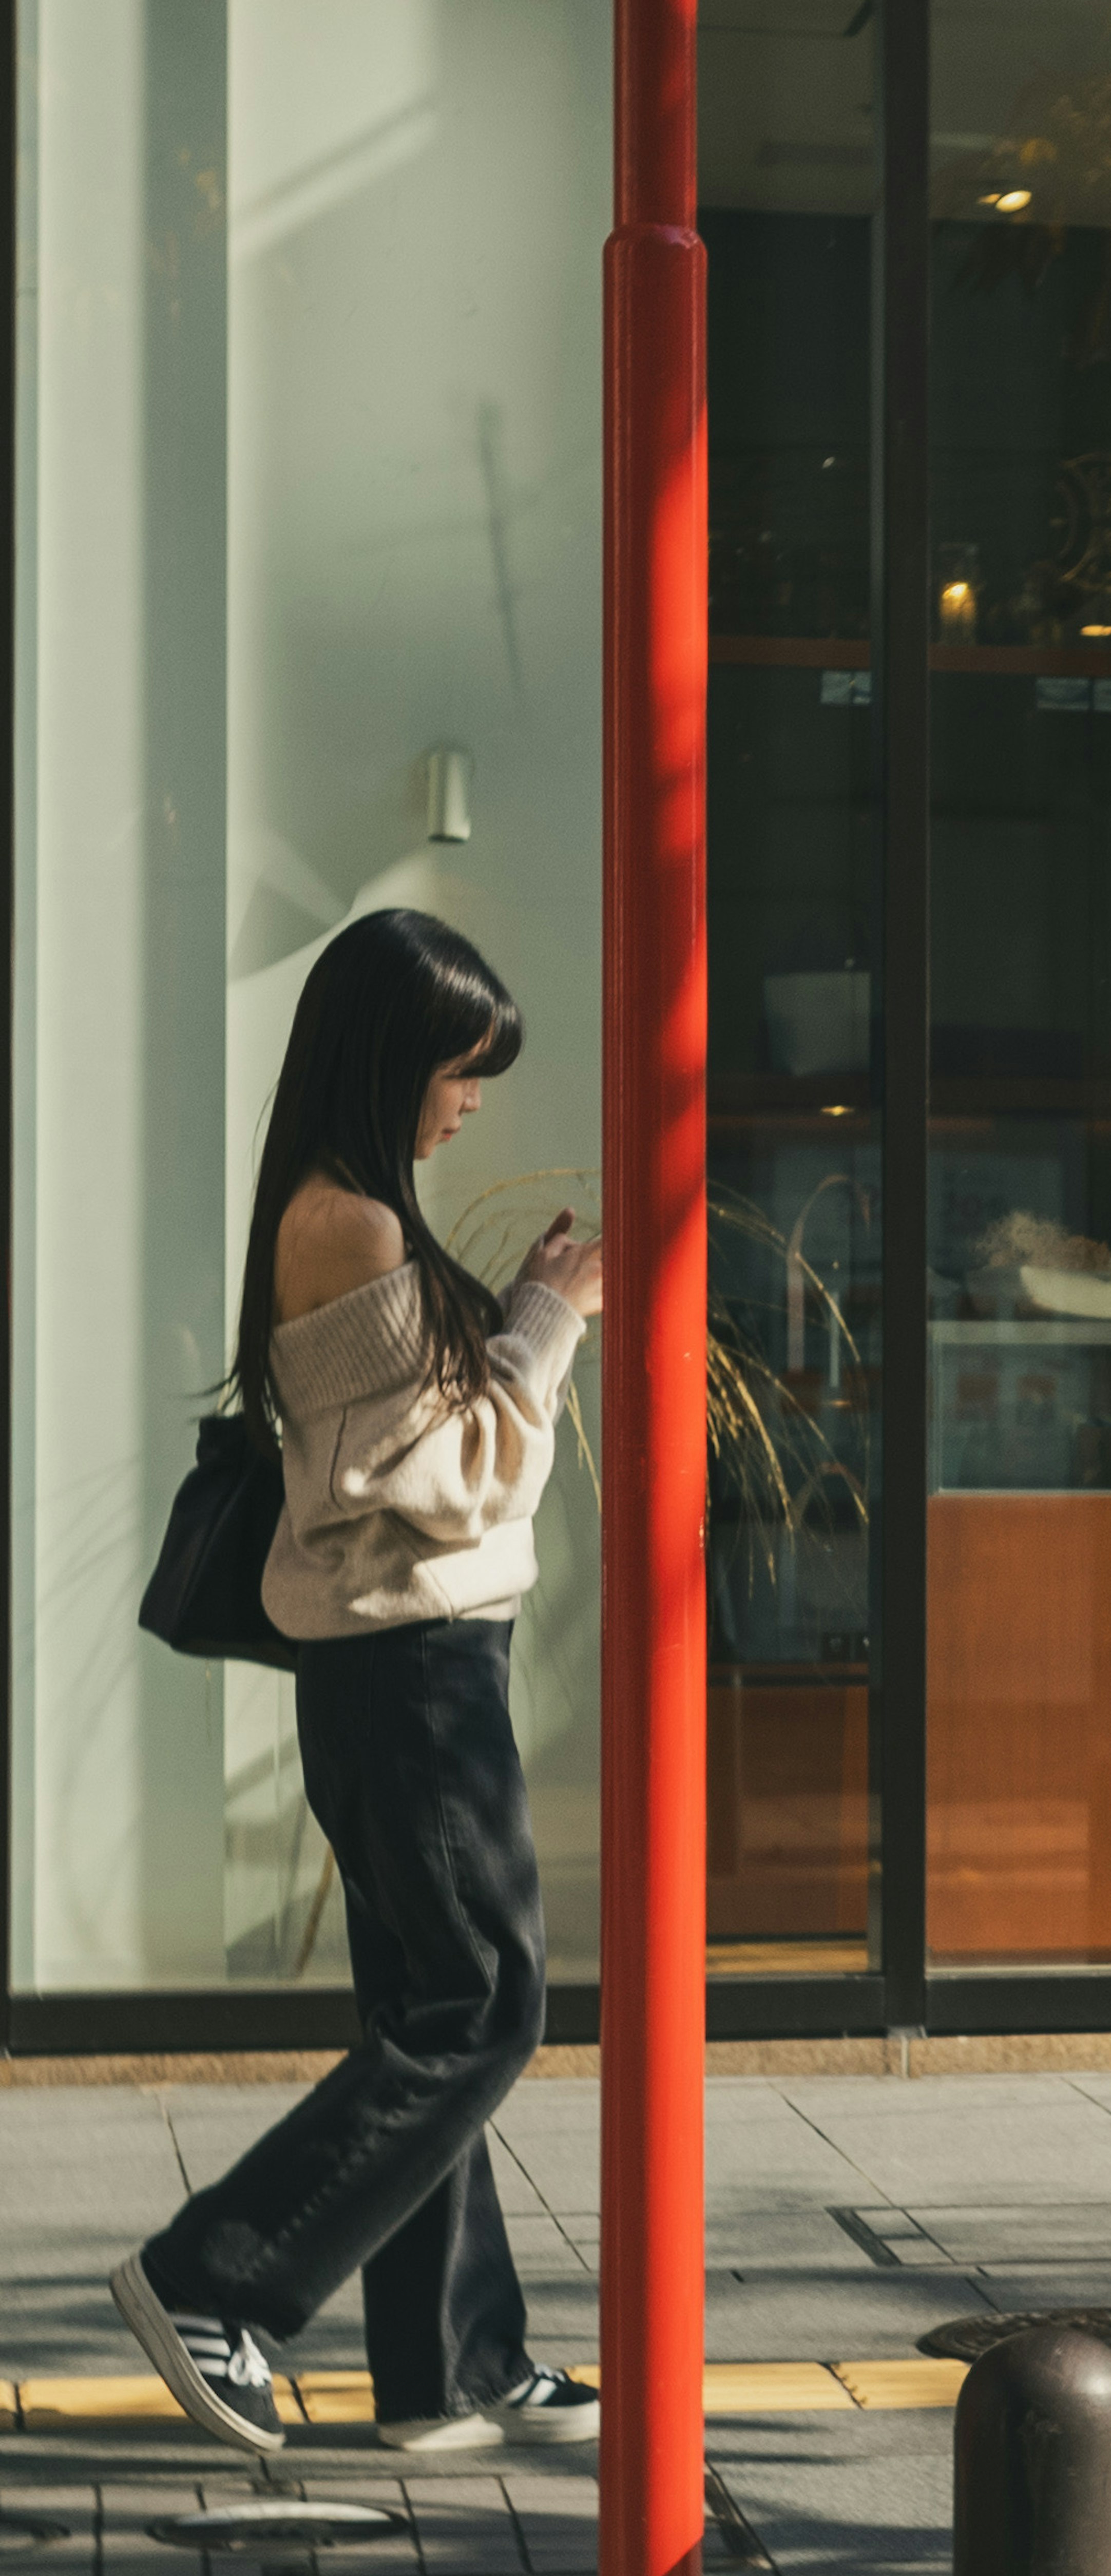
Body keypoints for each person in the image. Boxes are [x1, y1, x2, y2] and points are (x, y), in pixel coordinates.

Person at [111, 909, 602, 2458]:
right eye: (462, 1071)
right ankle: (214, 2281)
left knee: (430, 2008)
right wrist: (553, 1318)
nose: (471, 1102)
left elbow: (414, 1446)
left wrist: (518, 1306)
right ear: (396, 1058)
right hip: (411, 1677)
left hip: (406, 1672)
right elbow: (458, 1482)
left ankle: (454, 2363)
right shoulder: (353, 1227)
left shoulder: (359, 1219)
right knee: (485, 2005)